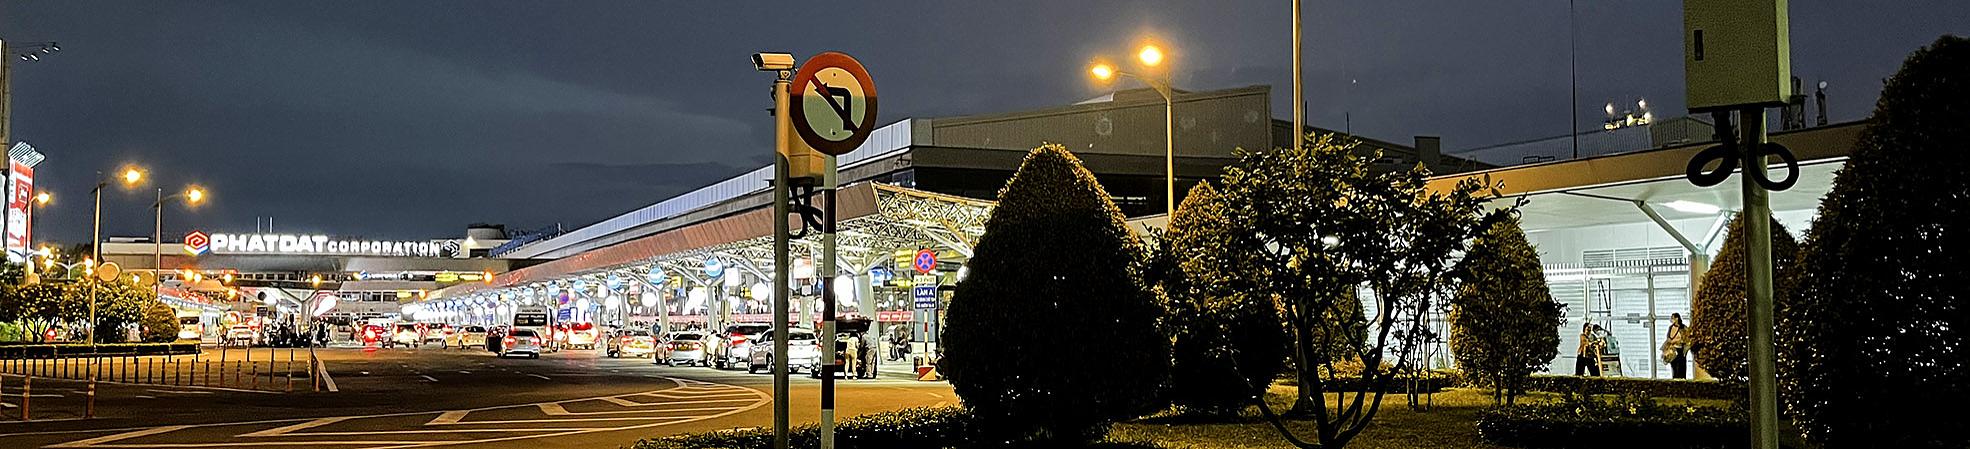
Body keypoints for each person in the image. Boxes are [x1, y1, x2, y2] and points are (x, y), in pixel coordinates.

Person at [1663, 313, 1689, 379]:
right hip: (1672, 349)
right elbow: (1668, 337)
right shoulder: (1671, 327)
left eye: (1673, 318)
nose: (1671, 320)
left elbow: (1687, 338)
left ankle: (1681, 380)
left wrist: (1679, 341)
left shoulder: (1683, 328)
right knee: (1674, 367)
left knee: (1681, 367)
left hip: (1680, 349)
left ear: (1677, 318)